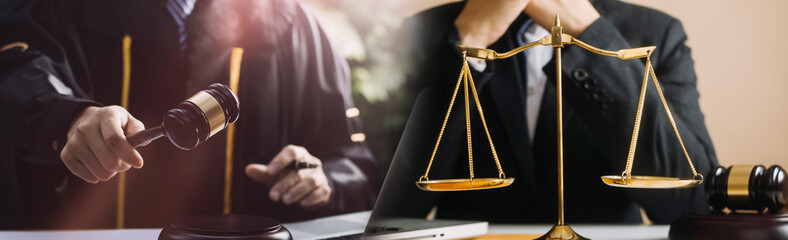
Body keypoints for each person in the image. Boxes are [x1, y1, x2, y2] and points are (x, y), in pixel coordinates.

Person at [0, 0, 377, 229]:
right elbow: (17, 71)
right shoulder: (59, 7)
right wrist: (68, 117)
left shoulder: (291, 21)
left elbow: (352, 159)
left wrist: (320, 180)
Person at [372, 0, 717, 224]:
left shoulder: (656, 34)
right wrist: (469, 38)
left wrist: (590, 33)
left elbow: (691, 206)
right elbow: (387, 210)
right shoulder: (422, 33)